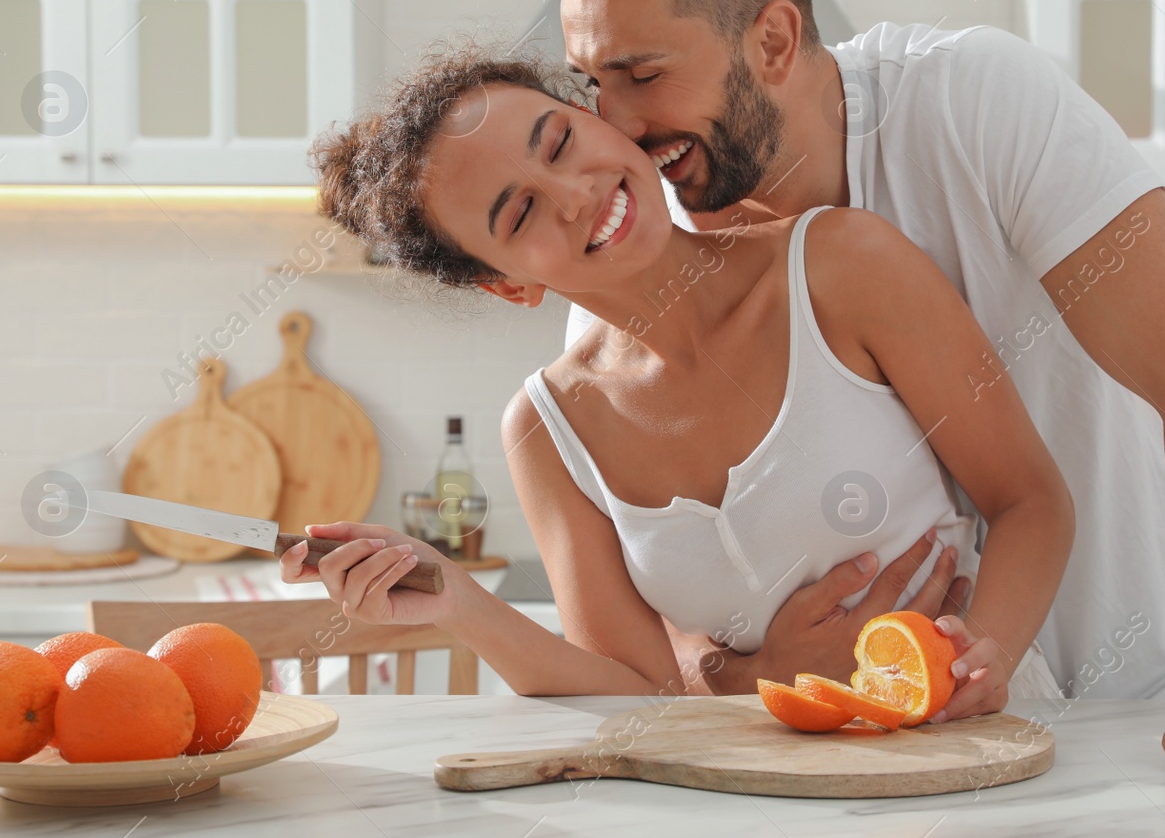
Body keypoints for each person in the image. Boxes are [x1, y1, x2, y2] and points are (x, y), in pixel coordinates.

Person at [528, 0, 1165, 782]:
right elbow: (651, 617)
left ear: (773, 40)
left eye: (641, 75)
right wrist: (740, 671)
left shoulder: (976, 105)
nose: (612, 125)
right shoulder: (635, 271)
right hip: (885, 754)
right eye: (590, 85)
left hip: (1150, 706)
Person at [288, 46, 1075, 718]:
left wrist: (986, 655)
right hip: (751, 801)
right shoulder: (548, 429)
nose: (576, 193)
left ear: (598, 118)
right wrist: (457, 601)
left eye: (559, 141)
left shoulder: (840, 266)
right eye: (520, 212)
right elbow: (632, 698)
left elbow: (1030, 500)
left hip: (972, 753)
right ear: (507, 285)